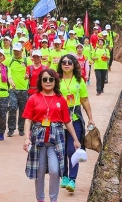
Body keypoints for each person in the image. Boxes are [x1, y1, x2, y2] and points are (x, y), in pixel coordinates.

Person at [22, 69, 81, 202]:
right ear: (40, 81)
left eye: (51, 79)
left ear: (55, 81)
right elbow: (28, 119)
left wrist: (75, 139)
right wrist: (26, 138)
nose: (48, 82)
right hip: (38, 139)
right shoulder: (33, 98)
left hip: (56, 140)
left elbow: (67, 120)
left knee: (55, 170)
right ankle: (40, 199)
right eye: (45, 79)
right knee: (40, 171)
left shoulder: (61, 99)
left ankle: (53, 199)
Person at [57, 54, 95, 193]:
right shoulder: (56, 80)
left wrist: (90, 118)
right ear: (61, 65)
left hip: (75, 117)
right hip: (59, 118)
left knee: (73, 149)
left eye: (69, 62)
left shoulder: (79, 81)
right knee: (62, 150)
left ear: (74, 65)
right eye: (64, 62)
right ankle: (65, 176)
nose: (66, 64)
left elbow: (84, 100)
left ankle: (72, 179)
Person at [4, 43, 32, 137]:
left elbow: (33, 69)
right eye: (15, 50)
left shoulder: (27, 60)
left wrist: (29, 75)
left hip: (24, 90)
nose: (16, 52)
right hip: (13, 89)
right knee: (12, 108)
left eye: (18, 51)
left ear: (22, 51)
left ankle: (21, 129)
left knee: (23, 110)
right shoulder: (9, 60)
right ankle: (11, 129)